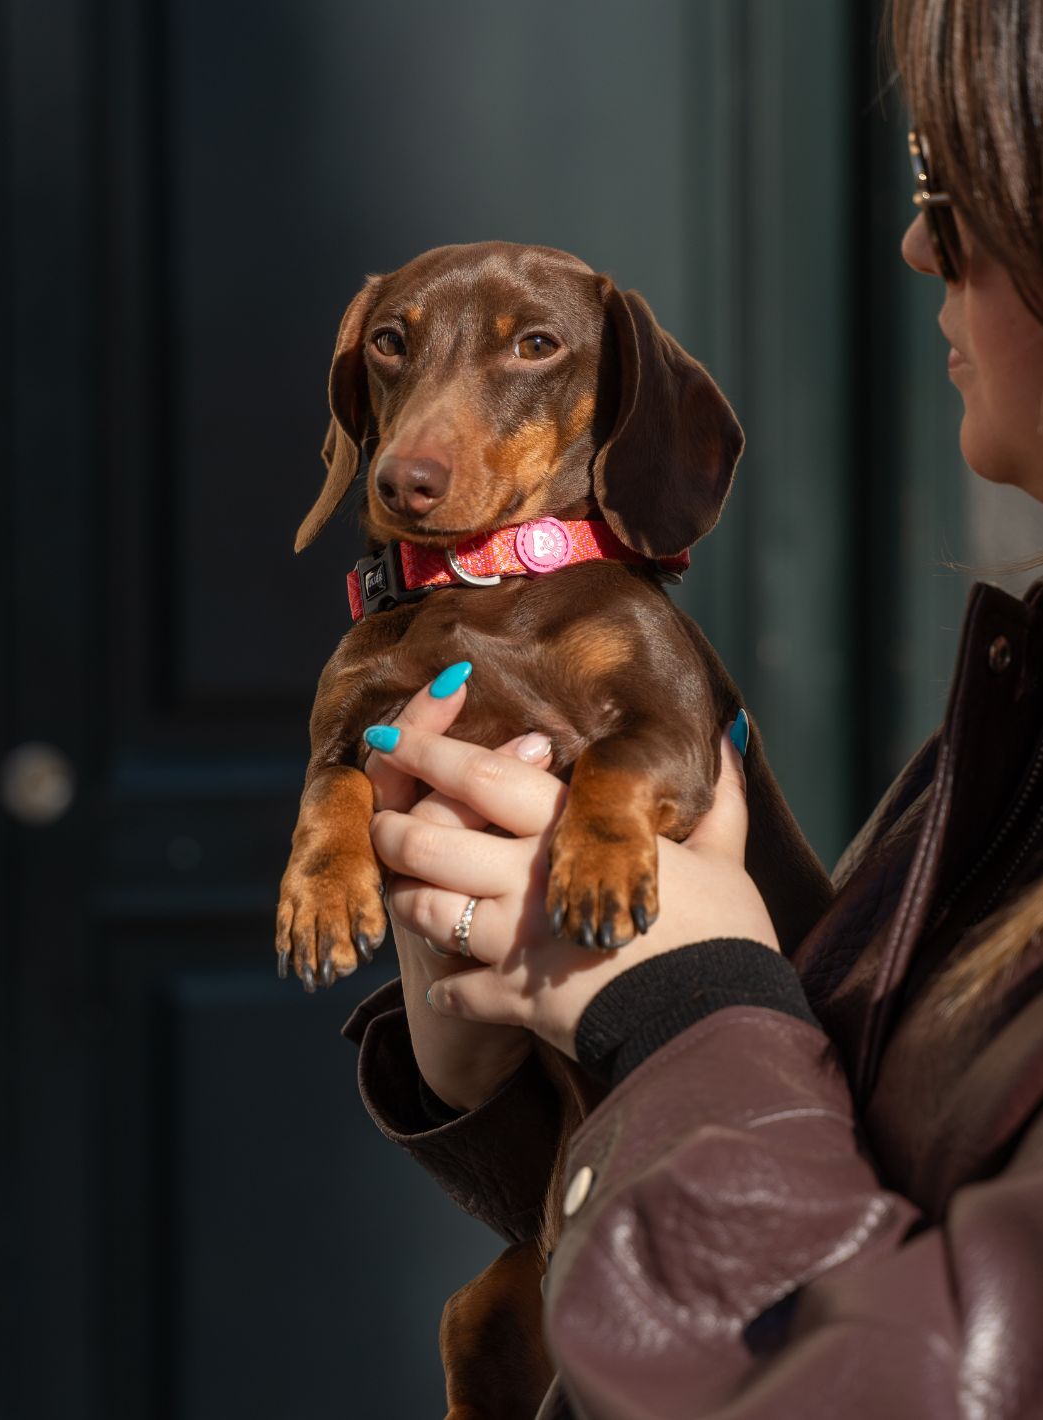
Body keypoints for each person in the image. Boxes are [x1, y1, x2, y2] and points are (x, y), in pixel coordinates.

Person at [341, 0, 1043, 1412]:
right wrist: (503, 1044)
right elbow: (844, 1176)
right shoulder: (1012, 717)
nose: (916, 241)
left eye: (950, 182)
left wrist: (679, 1002)